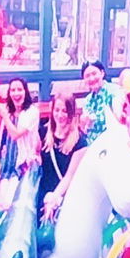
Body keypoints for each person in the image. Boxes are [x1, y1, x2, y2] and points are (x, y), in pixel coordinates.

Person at [38, 94, 87, 222]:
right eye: (57, 110)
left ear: (71, 113)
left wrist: (54, 197)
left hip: (65, 197)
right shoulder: (43, 133)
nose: (60, 115)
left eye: (64, 111)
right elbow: (36, 156)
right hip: (43, 193)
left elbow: (69, 176)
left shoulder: (80, 142)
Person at [0, 77, 41, 185]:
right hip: (5, 162)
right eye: (13, 90)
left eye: (19, 89)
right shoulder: (8, 110)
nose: (16, 93)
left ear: (25, 92)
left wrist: (4, 115)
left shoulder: (32, 112)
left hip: (22, 164)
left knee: (12, 191)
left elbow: (16, 134)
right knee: (0, 190)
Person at [79, 60, 124, 145]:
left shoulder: (115, 91)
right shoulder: (87, 100)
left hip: (112, 144)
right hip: (91, 146)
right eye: (87, 76)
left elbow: (118, 119)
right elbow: (85, 129)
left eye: (94, 73)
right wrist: (84, 123)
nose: (91, 78)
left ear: (102, 73)